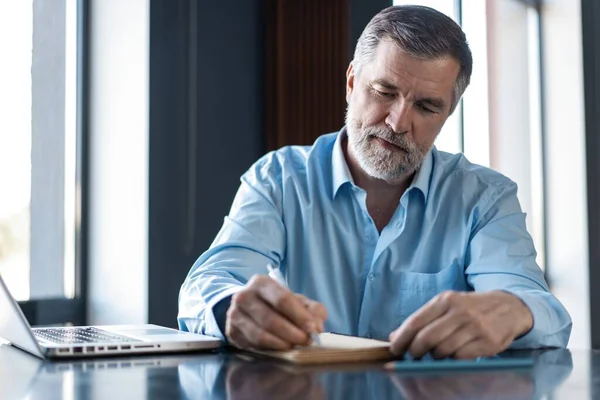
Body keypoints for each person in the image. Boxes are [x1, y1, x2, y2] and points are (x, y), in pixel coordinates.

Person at [178, 5, 572, 359]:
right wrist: (231, 308)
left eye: (427, 106)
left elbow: (544, 312)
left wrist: (513, 311)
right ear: (351, 82)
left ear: (448, 113)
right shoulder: (280, 179)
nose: (399, 122)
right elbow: (205, 285)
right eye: (384, 92)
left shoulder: (485, 199)